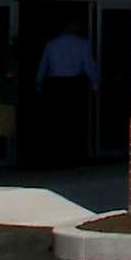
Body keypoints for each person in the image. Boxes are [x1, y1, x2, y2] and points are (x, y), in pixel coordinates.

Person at [35, 20, 98, 166]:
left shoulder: (52, 44)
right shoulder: (83, 43)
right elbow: (89, 64)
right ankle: (74, 156)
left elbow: (44, 65)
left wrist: (38, 84)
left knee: (57, 121)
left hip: (55, 84)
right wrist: (95, 83)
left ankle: (57, 157)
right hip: (74, 84)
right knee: (75, 121)